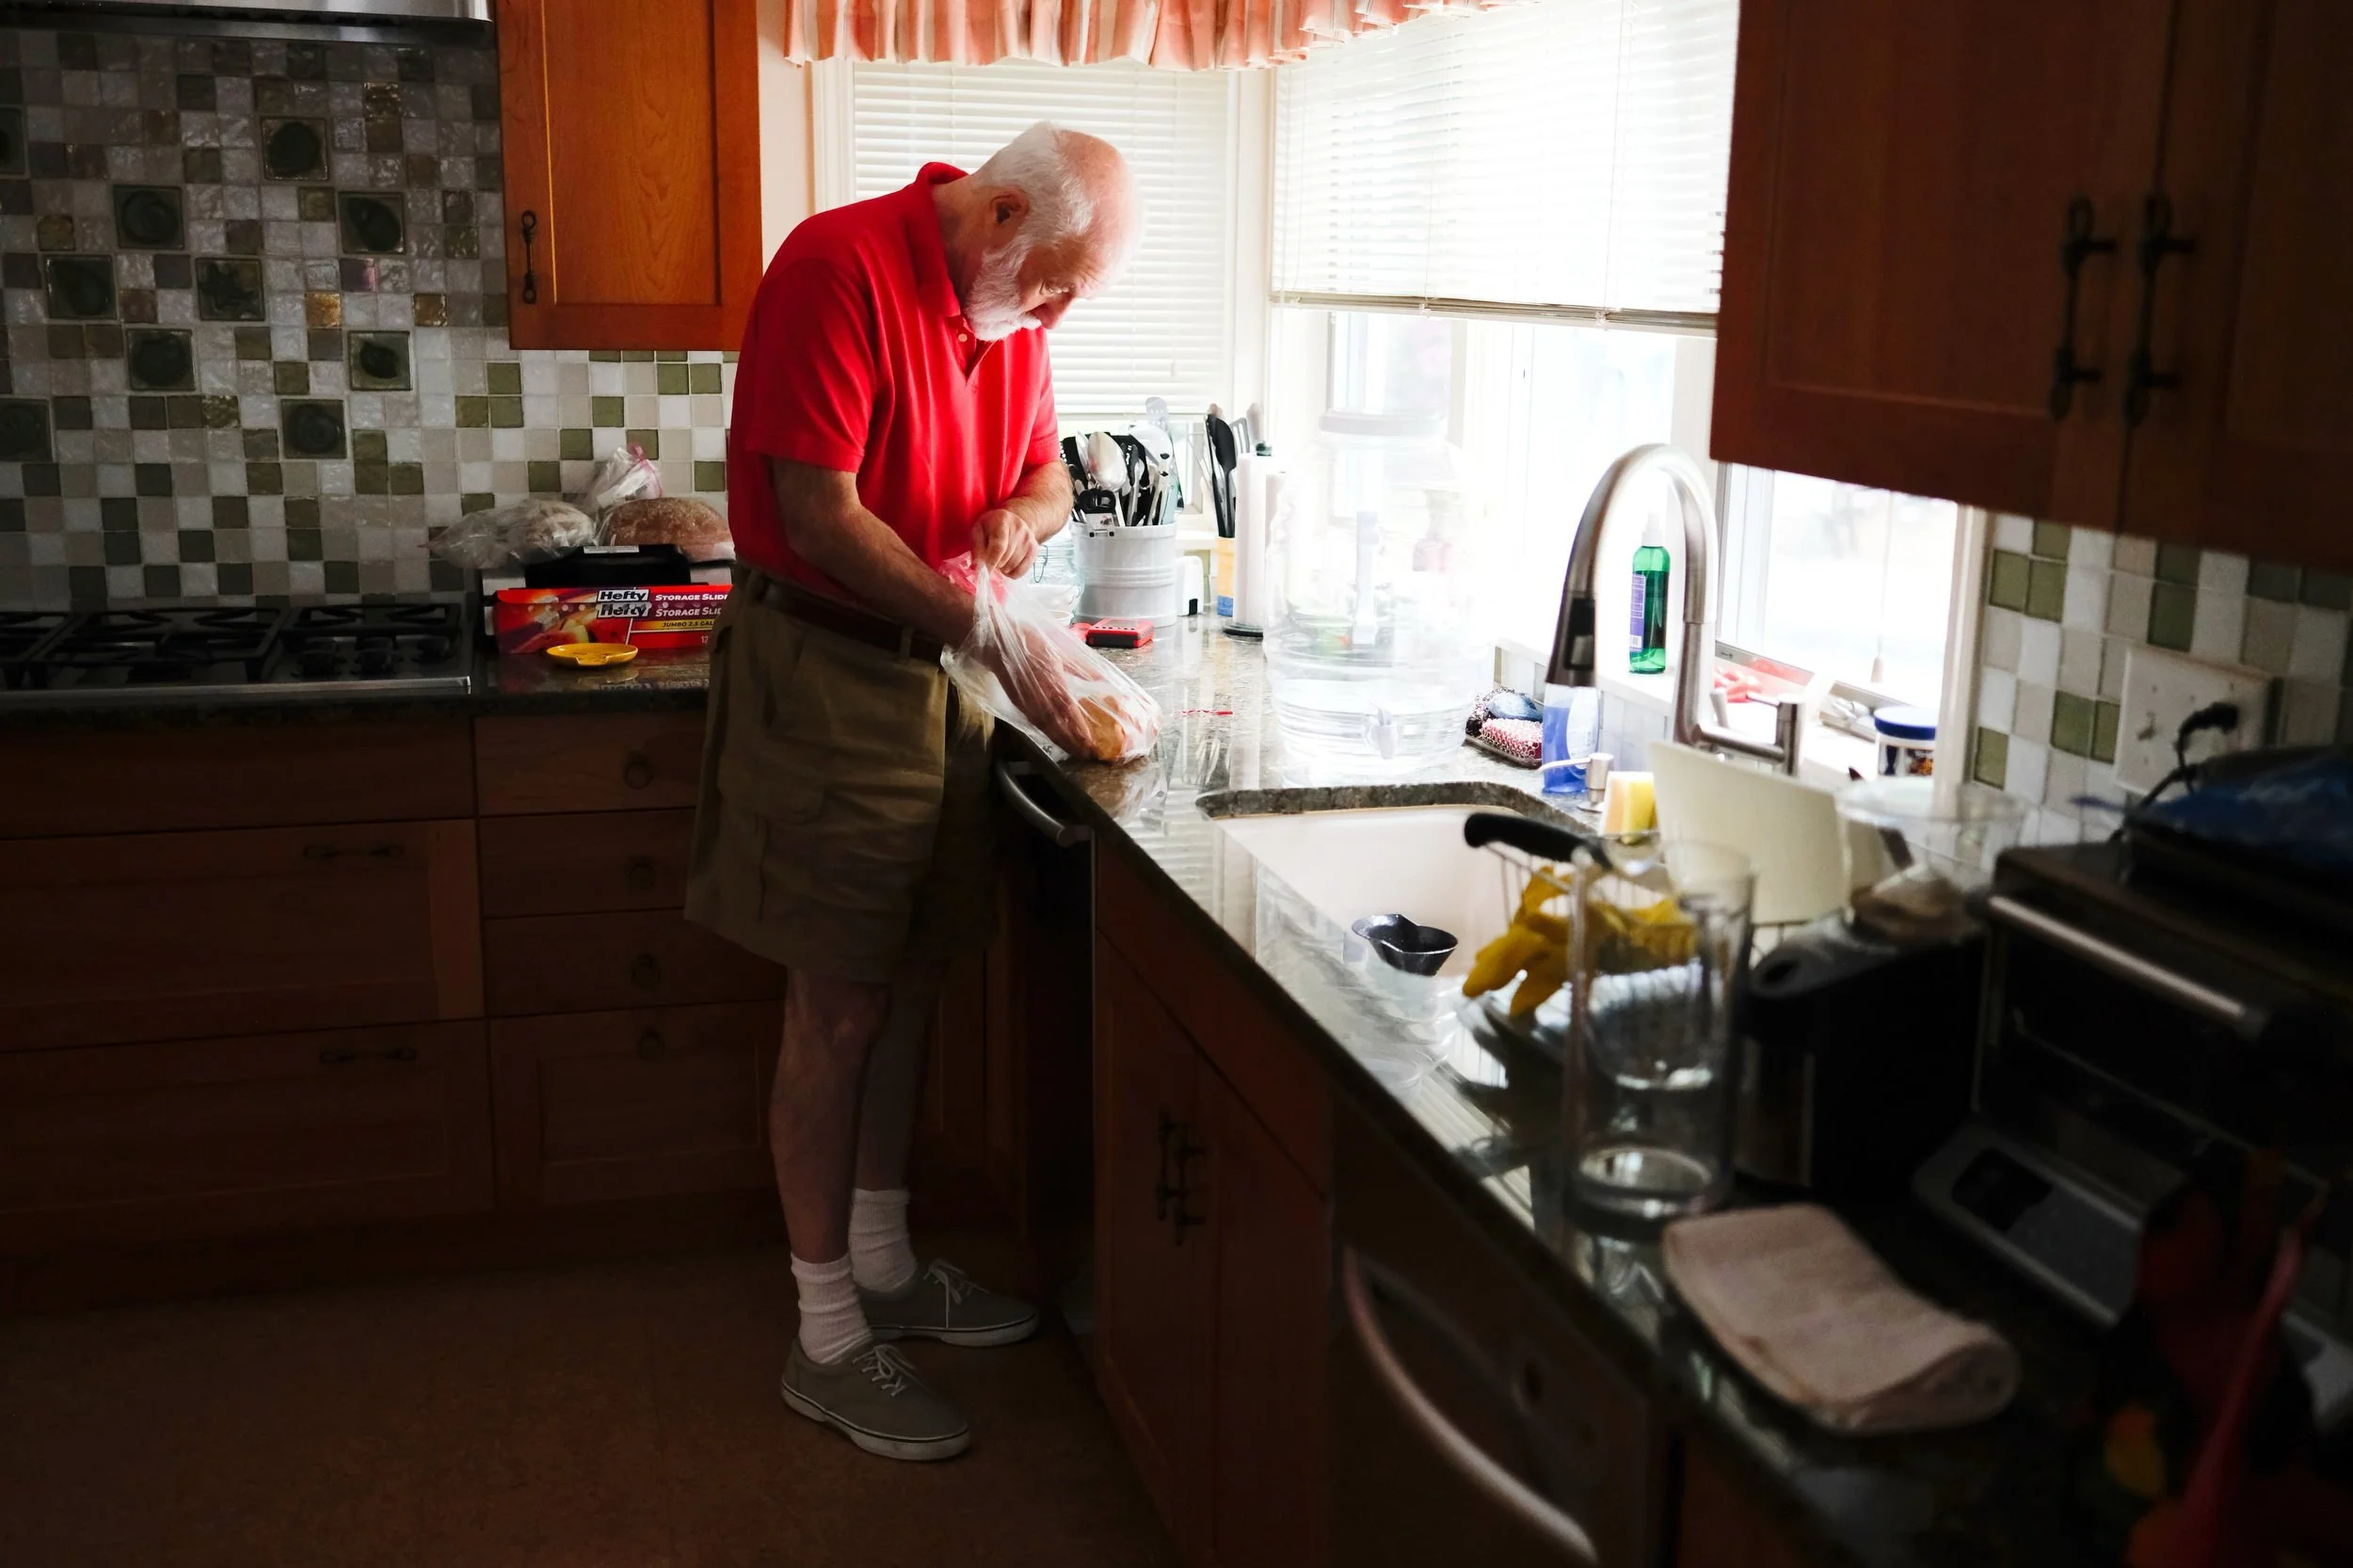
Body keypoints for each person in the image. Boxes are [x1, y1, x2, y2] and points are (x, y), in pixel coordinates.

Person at [684, 123, 1138, 1463]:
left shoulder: (1013, 308)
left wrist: (1026, 522)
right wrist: (981, 627)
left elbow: (1049, 472)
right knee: (833, 1005)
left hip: (942, 671)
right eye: (1051, 283)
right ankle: (826, 1336)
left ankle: (883, 1262)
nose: (1053, 313)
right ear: (998, 216)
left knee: (912, 973)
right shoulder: (836, 269)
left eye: (1069, 297)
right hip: (827, 666)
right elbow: (816, 514)